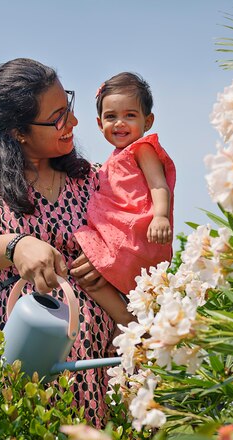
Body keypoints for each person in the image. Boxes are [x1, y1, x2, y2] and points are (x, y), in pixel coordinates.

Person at [0, 58, 115, 426]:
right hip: (27, 354)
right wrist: (15, 246)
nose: (73, 123)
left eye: (67, 108)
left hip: (103, 363)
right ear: (20, 132)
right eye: (57, 117)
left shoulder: (93, 179)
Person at [74, 72, 176, 320]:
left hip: (134, 230)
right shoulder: (113, 158)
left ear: (147, 121)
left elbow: (158, 184)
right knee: (89, 275)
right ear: (100, 124)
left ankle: (125, 321)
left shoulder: (142, 149)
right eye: (111, 117)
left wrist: (161, 216)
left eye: (130, 115)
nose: (119, 123)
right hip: (119, 230)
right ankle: (124, 319)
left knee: (88, 267)